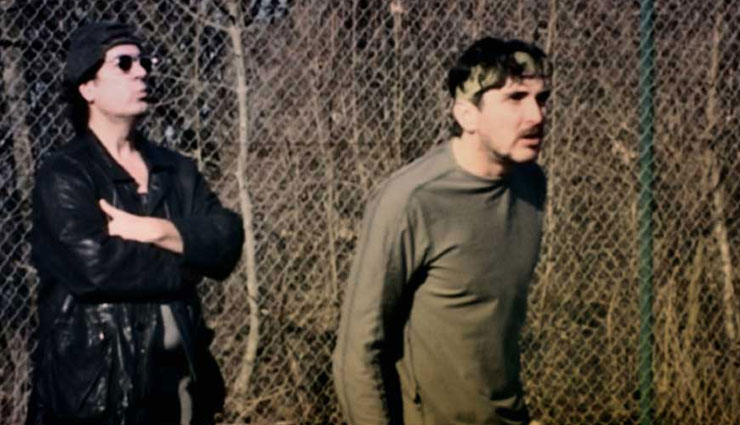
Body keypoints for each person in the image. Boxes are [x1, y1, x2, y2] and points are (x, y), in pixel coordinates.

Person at [26, 22, 244, 425]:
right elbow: (96, 270)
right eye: (124, 63)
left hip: (181, 387)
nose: (142, 71)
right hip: (98, 394)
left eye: (144, 61)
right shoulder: (66, 174)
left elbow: (227, 238)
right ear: (88, 88)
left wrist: (155, 230)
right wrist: (190, 257)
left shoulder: (175, 170)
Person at [332, 37, 550, 425]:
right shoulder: (411, 201)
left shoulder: (531, 184)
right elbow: (357, 354)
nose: (536, 115)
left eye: (541, 99)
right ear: (467, 115)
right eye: (515, 98)